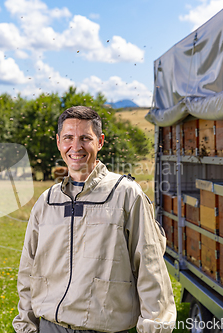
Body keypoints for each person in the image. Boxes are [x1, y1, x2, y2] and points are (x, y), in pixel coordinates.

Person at [12, 106, 176, 333]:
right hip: (50, 327)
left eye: (85, 138)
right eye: (68, 138)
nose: (75, 147)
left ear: (100, 141)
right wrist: (25, 326)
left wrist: (155, 327)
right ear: (59, 142)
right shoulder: (47, 202)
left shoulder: (126, 194)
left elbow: (151, 269)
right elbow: (28, 269)